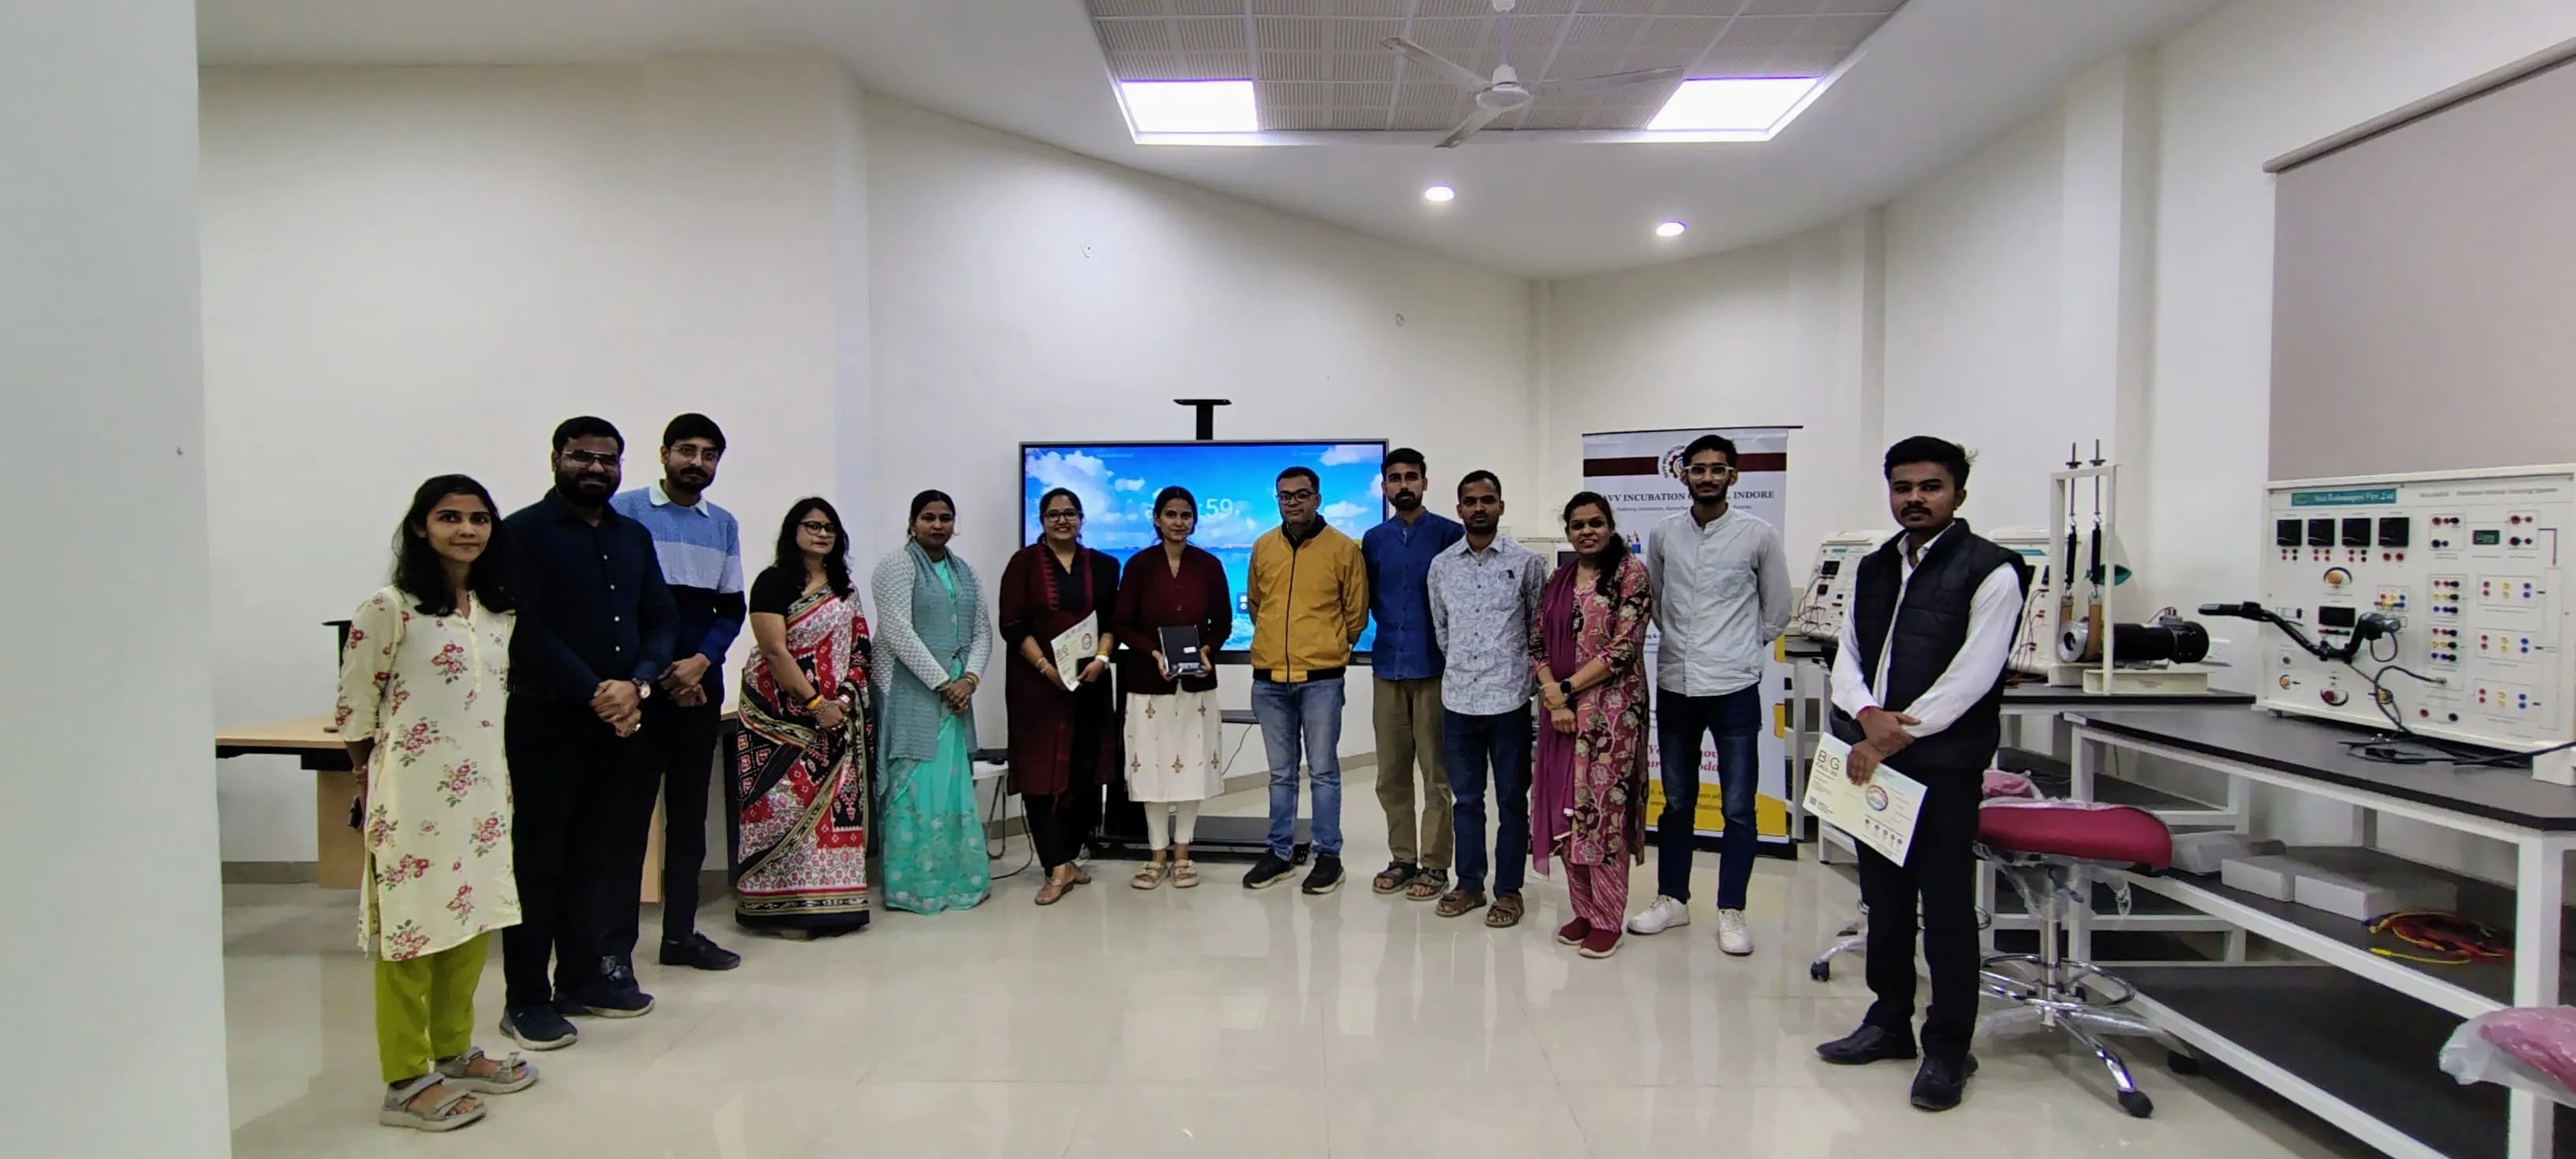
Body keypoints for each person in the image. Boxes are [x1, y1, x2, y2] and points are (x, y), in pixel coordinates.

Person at [1814, 436, 2030, 1113]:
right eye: (1903, 487)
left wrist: (1893, 732)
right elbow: (1846, 652)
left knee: (1943, 907)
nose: (1915, 498)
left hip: (1943, 762)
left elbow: (1975, 673)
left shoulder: (1992, 570)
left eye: (1930, 486)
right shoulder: (1875, 567)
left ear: (1958, 494)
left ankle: (1946, 1047)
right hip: (1874, 755)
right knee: (1882, 898)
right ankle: (1887, 1022)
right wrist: (1867, 712)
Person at [337, 475, 538, 1131]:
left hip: (481, 792)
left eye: (479, 518)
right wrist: (373, 788)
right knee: (412, 933)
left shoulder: (496, 610)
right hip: (412, 795)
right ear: (421, 526)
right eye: (450, 517)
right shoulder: (388, 607)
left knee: (473, 919)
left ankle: (455, 1050)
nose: (466, 530)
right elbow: (356, 711)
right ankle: (405, 1078)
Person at [500, 417, 676, 1049]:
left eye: (607, 459)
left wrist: (639, 682)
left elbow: (662, 618)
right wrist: (597, 691)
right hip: (549, 719)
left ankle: (582, 979)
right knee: (540, 859)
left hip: (625, 718)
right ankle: (526, 997)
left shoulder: (633, 537)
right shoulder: (520, 533)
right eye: (582, 457)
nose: (596, 469)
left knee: (597, 856)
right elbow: (527, 627)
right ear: (556, 459)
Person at [1627, 433, 1793, 955]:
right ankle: (1672, 900)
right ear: (1683, 475)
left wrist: (1739, 649)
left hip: (1734, 687)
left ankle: (1732, 909)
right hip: (1676, 682)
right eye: (1698, 469)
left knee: (1739, 807)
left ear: (1733, 476)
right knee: (1677, 803)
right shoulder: (1663, 534)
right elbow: (1653, 597)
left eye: (1717, 469)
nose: (1707, 477)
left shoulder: (1757, 535)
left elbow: (1777, 610)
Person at [608, 413, 743, 973]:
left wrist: (701, 663)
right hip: (639, 686)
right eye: (687, 450)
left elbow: (730, 608)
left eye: (709, 454)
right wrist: (661, 670)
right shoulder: (626, 512)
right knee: (628, 818)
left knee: (689, 819)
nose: (698, 462)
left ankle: (681, 937)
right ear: (664, 453)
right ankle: (613, 948)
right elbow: (620, 604)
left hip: (698, 685)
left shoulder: (723, 523)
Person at [733, 498, 874, 937]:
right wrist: (816, 705)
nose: (822, 534)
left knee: (832, 814)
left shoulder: (843, 588)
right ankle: (777, 909)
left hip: (838, 716)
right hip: (777, 719)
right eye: (812, 525)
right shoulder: (773, 582)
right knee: (777, 810)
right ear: (793, 532)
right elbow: (774, 651)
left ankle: (832, 907)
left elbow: (860, 646)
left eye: (830, 527)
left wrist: (845, 699)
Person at [1530, 492, 1653, 960]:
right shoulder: (1558, 579)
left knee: (1602, 814)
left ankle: (1607, 918)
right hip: (1558, 711)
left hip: (1611, 714)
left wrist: (1565, 687)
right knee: (1565, 809)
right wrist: (1551, 690)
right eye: (1578, 524)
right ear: (1567, 531)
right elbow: (1536, 640)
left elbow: (1624, 648)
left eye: (1596, 523)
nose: (1588, 532)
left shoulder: (1630, 575)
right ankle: (1582, 909)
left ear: (1610, 525)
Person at [1241, 465, 1370, 895]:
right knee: (1280, 774)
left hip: (1321, 680)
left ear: (1318, 498)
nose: (1292, 502)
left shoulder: (1342, 549)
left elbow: (1356, 614)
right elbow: (1257, 606)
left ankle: (1328, 856)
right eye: (1284, 496)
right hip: (1270, 680)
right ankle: (1279, 854)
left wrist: (1329, 646)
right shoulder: (1263, 547)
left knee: (1324, 771)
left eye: (1301, 494)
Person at [1426, 471, 1545, 927]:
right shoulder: (1442, 566)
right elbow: (1443, 631)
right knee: (1467, 800)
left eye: (1487, 500)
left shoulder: (1527, 562)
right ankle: (1470, 884)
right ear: (1458, 509)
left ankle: (1509, 891)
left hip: (1510, 701)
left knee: (1513, 800)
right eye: (1470, 501)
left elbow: (1537, 628)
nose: (1479, 508)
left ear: (1501, 506)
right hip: (1458, 701)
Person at [872, 489, 995, 914]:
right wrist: (946, 683)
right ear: (912, 522)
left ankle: (960, 881)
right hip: (911, 696)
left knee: (951, 790)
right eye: (928, 517)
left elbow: (983, 631)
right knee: (914, 789)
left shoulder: (966, 572)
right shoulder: (895, 566)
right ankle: (915, 887)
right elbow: (895, 631)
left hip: (955, 698)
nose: (938, 525)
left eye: (945, 518)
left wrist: (971, 679)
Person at [1000, 487, 1121, 906]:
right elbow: (1012, 626)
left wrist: (1102, 660)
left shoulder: (1105, 566)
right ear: (1042, 520)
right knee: (1041, 774)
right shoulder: (1023, 565)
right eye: (1054, 514)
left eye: (1070, 513)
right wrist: (1047, 669)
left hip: (1089, 683)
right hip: (1037, 688)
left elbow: (1113, 622)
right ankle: (1055, 867)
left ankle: (1069, 857)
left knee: (1083, 773)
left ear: (1082, 518)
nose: (1062, 520)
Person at [1112, 486, 1232, 890]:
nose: (1178, 522)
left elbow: (1223, 622)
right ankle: (1156, 853)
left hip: (1197, 684)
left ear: (1194, 521)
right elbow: (1124, 623)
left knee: (1191, 767)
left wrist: (1206, 650)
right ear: (1157, 519)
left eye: (1185, 515)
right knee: (1151, 767)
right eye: (1170, 514)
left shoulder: (1210, 565)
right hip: (1149, 683)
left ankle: (1182, 853)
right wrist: (1153, 653)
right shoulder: (1139, 566)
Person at [1360, 448, 1466, 901]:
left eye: (1412, 477)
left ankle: (1436, 865)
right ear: (1384, 486)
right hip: (1387, 667)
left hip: (1435, 669)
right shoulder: (1373, 539)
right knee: (1390, 775)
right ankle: (1402, 858)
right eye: (1395, 478)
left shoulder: (1450, 534)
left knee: (1436, 775)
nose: (1403, 485)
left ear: (1425, 482)